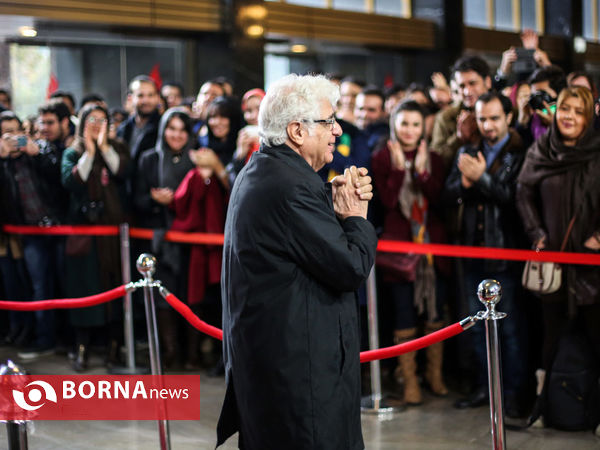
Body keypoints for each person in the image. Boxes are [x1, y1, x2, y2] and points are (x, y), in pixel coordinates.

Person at [217, 73, 377, 449]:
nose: (338, 130)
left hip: (278, 369)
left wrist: (330, 204)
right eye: (328, 121)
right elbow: (350, 267)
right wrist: (355, 216)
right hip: (299, 380)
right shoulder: (290, 187)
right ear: (297, 131)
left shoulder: (266, 170)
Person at [444, 92, 528, 417]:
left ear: (508, 117)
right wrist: (465, 184)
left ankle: (515, 394)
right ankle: (485, 387)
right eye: (482, 119)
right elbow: (447, 195)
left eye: (494, 118)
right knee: (476, 327)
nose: (488, 125)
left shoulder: (518, 154)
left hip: (505, 254)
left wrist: (482, 178)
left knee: (510, 329)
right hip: (470, 252)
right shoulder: (467, 150)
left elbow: (514, 199)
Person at [516, 86, 600, 406]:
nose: (570, 117)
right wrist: (536, 233)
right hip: (551, 263)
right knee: (550, 337)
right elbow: (523, 191)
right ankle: (547, 406)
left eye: (579, 112)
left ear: (589, 117)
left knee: (596, 337)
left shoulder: (597, 151)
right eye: (566, 109)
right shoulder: (541, 149)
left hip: (591, 264)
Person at [371, 100, 449, 405]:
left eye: (416, 124)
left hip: (432, 250)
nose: (409, 131)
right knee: (403, 314)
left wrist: (423, 175)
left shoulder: (436, 159)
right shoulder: (381, 157)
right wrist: (402, 171)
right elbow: (387, 202)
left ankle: (435, 376)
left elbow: (440, 201)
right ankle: (410, 383)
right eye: (404, 124)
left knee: (435, 314)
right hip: (399, 252)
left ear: (424, 128)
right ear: (394, 125)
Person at [61, 104, 129, 371]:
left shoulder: (118, 147)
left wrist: (103, 147)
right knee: (84, 290)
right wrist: (89, 152)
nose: (97, 124)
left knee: (115, 289)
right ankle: (82, 348)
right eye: (92, 120)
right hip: (84, 236)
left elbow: (122, 171)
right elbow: (71, 181)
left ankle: (114, 348)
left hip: (113, 235)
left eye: (102, 120)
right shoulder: (72, 151)